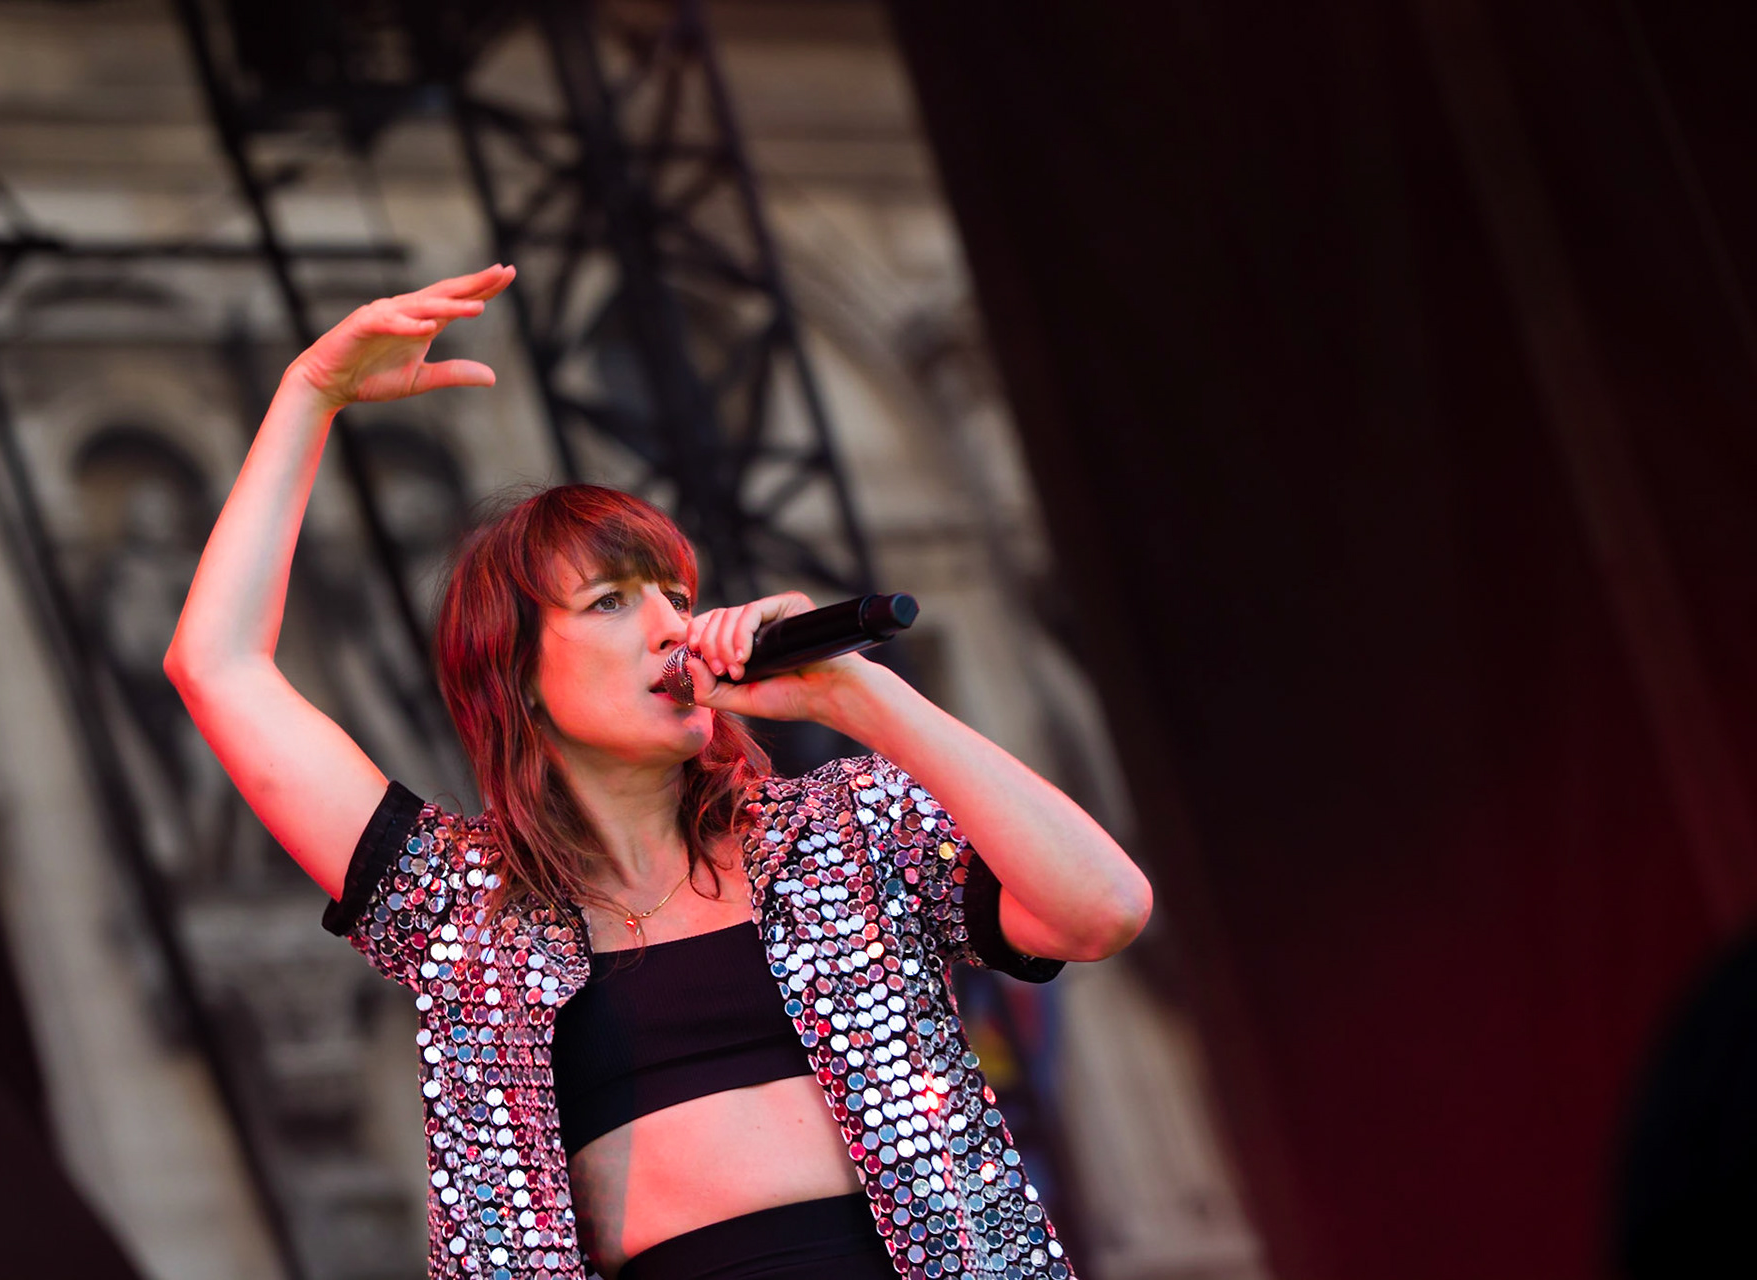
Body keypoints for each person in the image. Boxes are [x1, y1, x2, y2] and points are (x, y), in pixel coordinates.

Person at [164, 265, 1154, 1280]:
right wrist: (310, 394)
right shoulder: (463, 908)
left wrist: (860, 696)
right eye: (608, 601)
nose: (669, 625)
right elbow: (218, 666)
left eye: (675, 592)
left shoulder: (843, 831)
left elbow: (1103, 908)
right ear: (520, 678)